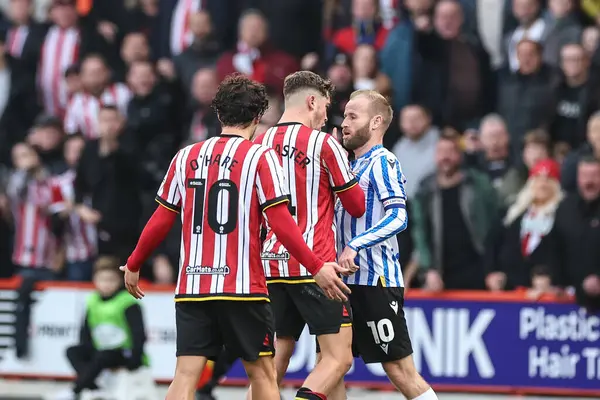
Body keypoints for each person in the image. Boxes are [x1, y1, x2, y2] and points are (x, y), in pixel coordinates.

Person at [120, 74, 350, 400]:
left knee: (185, 375)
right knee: (263, 375)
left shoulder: (186, 156)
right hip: (243, 287)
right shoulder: (259, 157)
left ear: (218, 114)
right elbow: (282, 224)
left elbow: (161, 219)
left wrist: (133, 263)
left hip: (194, 286)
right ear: (258, 117)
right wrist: (315, 266)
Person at [251, 71, 366, 400]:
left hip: (271, 266)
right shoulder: (325, 144)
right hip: (316, 268)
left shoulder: (259, 144)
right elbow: (356, 206)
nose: (327, 117)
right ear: (311, 101)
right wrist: (344, 163)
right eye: (326, 107)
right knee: (338, 358)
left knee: (276, 360)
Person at [335, 89, 439, 400]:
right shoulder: (347, 165)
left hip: (375, 281)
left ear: (377, 122)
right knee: (331, 364)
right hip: (341, 282)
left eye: (353, 116)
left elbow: (398, 217)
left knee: (398, 370)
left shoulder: (383, 161)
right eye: (345, 116)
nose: (344, 123)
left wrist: (356, 244)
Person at [57, 256, 147, 400]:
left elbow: (139, 334)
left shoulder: (128, 302)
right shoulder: (92, 301)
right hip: (101, 351)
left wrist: (135, 359)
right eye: (102, 280)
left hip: (123, 352)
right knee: (72, 351)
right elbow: (85, 332)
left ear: (119, 280)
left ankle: (75, 390)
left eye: (111, 280)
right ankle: (94, 387)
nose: (106, 284)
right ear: (95, 280)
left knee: (103, 355)